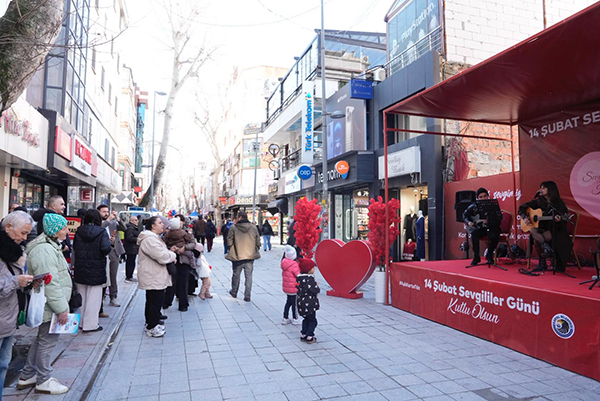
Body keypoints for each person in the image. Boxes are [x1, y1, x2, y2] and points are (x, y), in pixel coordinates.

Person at [18, 213, 72, 395]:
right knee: (47, 342)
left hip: (50, 302)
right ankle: (43, 380)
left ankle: (28, 375)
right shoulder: (45, 250)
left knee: (42, 339)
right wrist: (62, 308)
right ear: (55, 231)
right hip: (50, 304)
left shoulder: (49, 246)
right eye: (64, 228)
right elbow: (51, 283)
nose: (67, 231)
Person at [0, 211, 38, 399]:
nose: (24, 238)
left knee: (3, 365)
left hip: (8, 319)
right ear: (8, 227)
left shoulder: (16, 252)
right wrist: (16, 281)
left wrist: (28, 283)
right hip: (2, 317)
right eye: (23, 233)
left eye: (27, 234)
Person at [519, 181, 573, 272]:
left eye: (544, 188)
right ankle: (546, 248)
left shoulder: (559, 203)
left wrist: (559, 219)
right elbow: (522, 207)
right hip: (542, 228)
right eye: (541, 188)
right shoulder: (539, 201)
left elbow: (564, 216)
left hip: (555, 229)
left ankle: (542, 262)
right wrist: (525, 217)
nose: (541, 190)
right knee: (532, 230)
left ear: (550, 189)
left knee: (536, 240)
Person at [137, 217, 176, 337]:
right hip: (153, 275)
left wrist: (169, 253)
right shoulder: (150, 239)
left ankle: (151, 322)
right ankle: (152, 327)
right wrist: (172, 254)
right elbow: (162, 256)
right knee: (155, 301)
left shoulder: (153, 238)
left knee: (153, 300)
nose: (162, 225)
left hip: (154, 274)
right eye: (159, 223)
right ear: (153, 226)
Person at [73, 209, 111, 333]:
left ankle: (81, 322)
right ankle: (90, 324)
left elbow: (75, 247)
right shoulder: (101, 232)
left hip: (81, 267)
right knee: (94, 298)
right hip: (96, 268)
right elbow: (105, 249)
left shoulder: (79, 231)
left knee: (82, 296)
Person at [163, 217, 196, 312]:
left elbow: (163, 246)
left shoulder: (166, 235)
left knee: (171, 282)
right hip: (183, 260)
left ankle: (167, 302)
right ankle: (183, 304)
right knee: (183, 283)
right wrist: (184, 248)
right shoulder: (185, 234)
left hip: (171, 259)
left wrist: (171, 248)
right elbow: (193, 243)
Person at [226, 211, 261, 302]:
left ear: (240, 217)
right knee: (248, 276)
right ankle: (247, 295)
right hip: (250, 256)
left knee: (236, 275)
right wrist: (256, 248)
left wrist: (231, 249)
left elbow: (229, 240)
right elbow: (258, 241)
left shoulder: (234, 228)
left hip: (237, 255)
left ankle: (234, 291)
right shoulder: (253, 227)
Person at [463, 188, 501, 266]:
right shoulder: (473, 206)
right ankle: (476, 257)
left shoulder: (493, 206)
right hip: (480, 228)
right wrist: (468, 222)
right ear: (477, 198)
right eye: (481, 197)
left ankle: (489, 255)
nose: (483, 198)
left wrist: (489, 220)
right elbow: (464, 215)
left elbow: (499, 220)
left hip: (492, 227)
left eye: (485, 196)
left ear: (488, 196)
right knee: (474, 233)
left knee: (495, 235)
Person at [98, 205, 126, 307]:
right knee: (103, 275)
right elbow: (100, 228)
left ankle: (113, 297)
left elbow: (124, 228)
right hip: (101, 251)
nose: (106, 214)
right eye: (103, 212)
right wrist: (108, 220)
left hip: (113, 250)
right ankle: (101, 296)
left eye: (107, 211)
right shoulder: (98, 222)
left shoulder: (113, 222)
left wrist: (118, 219)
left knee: (113, 275)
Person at [32, 195, 72, 263]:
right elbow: (46, 235)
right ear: (54, 206)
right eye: (62, 204)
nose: (64, 207)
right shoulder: (47, 219)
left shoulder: (54, 218)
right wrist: (62, 246)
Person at [296, 258, 319, 344]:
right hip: (309, 304)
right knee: (313, 320)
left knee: (306, 319)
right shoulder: (309, 279)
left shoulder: (299, 278)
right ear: (309, 270)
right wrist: (316, 286)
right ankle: (310, 335)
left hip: (301, 303)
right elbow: (315, 290)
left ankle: (304, 334)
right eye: (313, 268)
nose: (314, 269)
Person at [281, 245, 300, 325]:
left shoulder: (284, 263)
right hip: (293, 288)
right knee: (294, 303)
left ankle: (285, 317)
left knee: (288, 302)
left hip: (287, 288)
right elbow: (298, 275)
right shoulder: (294, 264)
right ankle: (295, 318)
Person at [124, 216, 141, 282]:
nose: (137, 221)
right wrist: (138, 239)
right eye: (136, 220)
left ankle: (130, 276)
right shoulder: (130, 228)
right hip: (131, 248)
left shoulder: (133, 228)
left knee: (131, 262)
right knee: (130, 263)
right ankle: (129, 276)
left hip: (133, 248)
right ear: (131, 221)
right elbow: (129, 238)